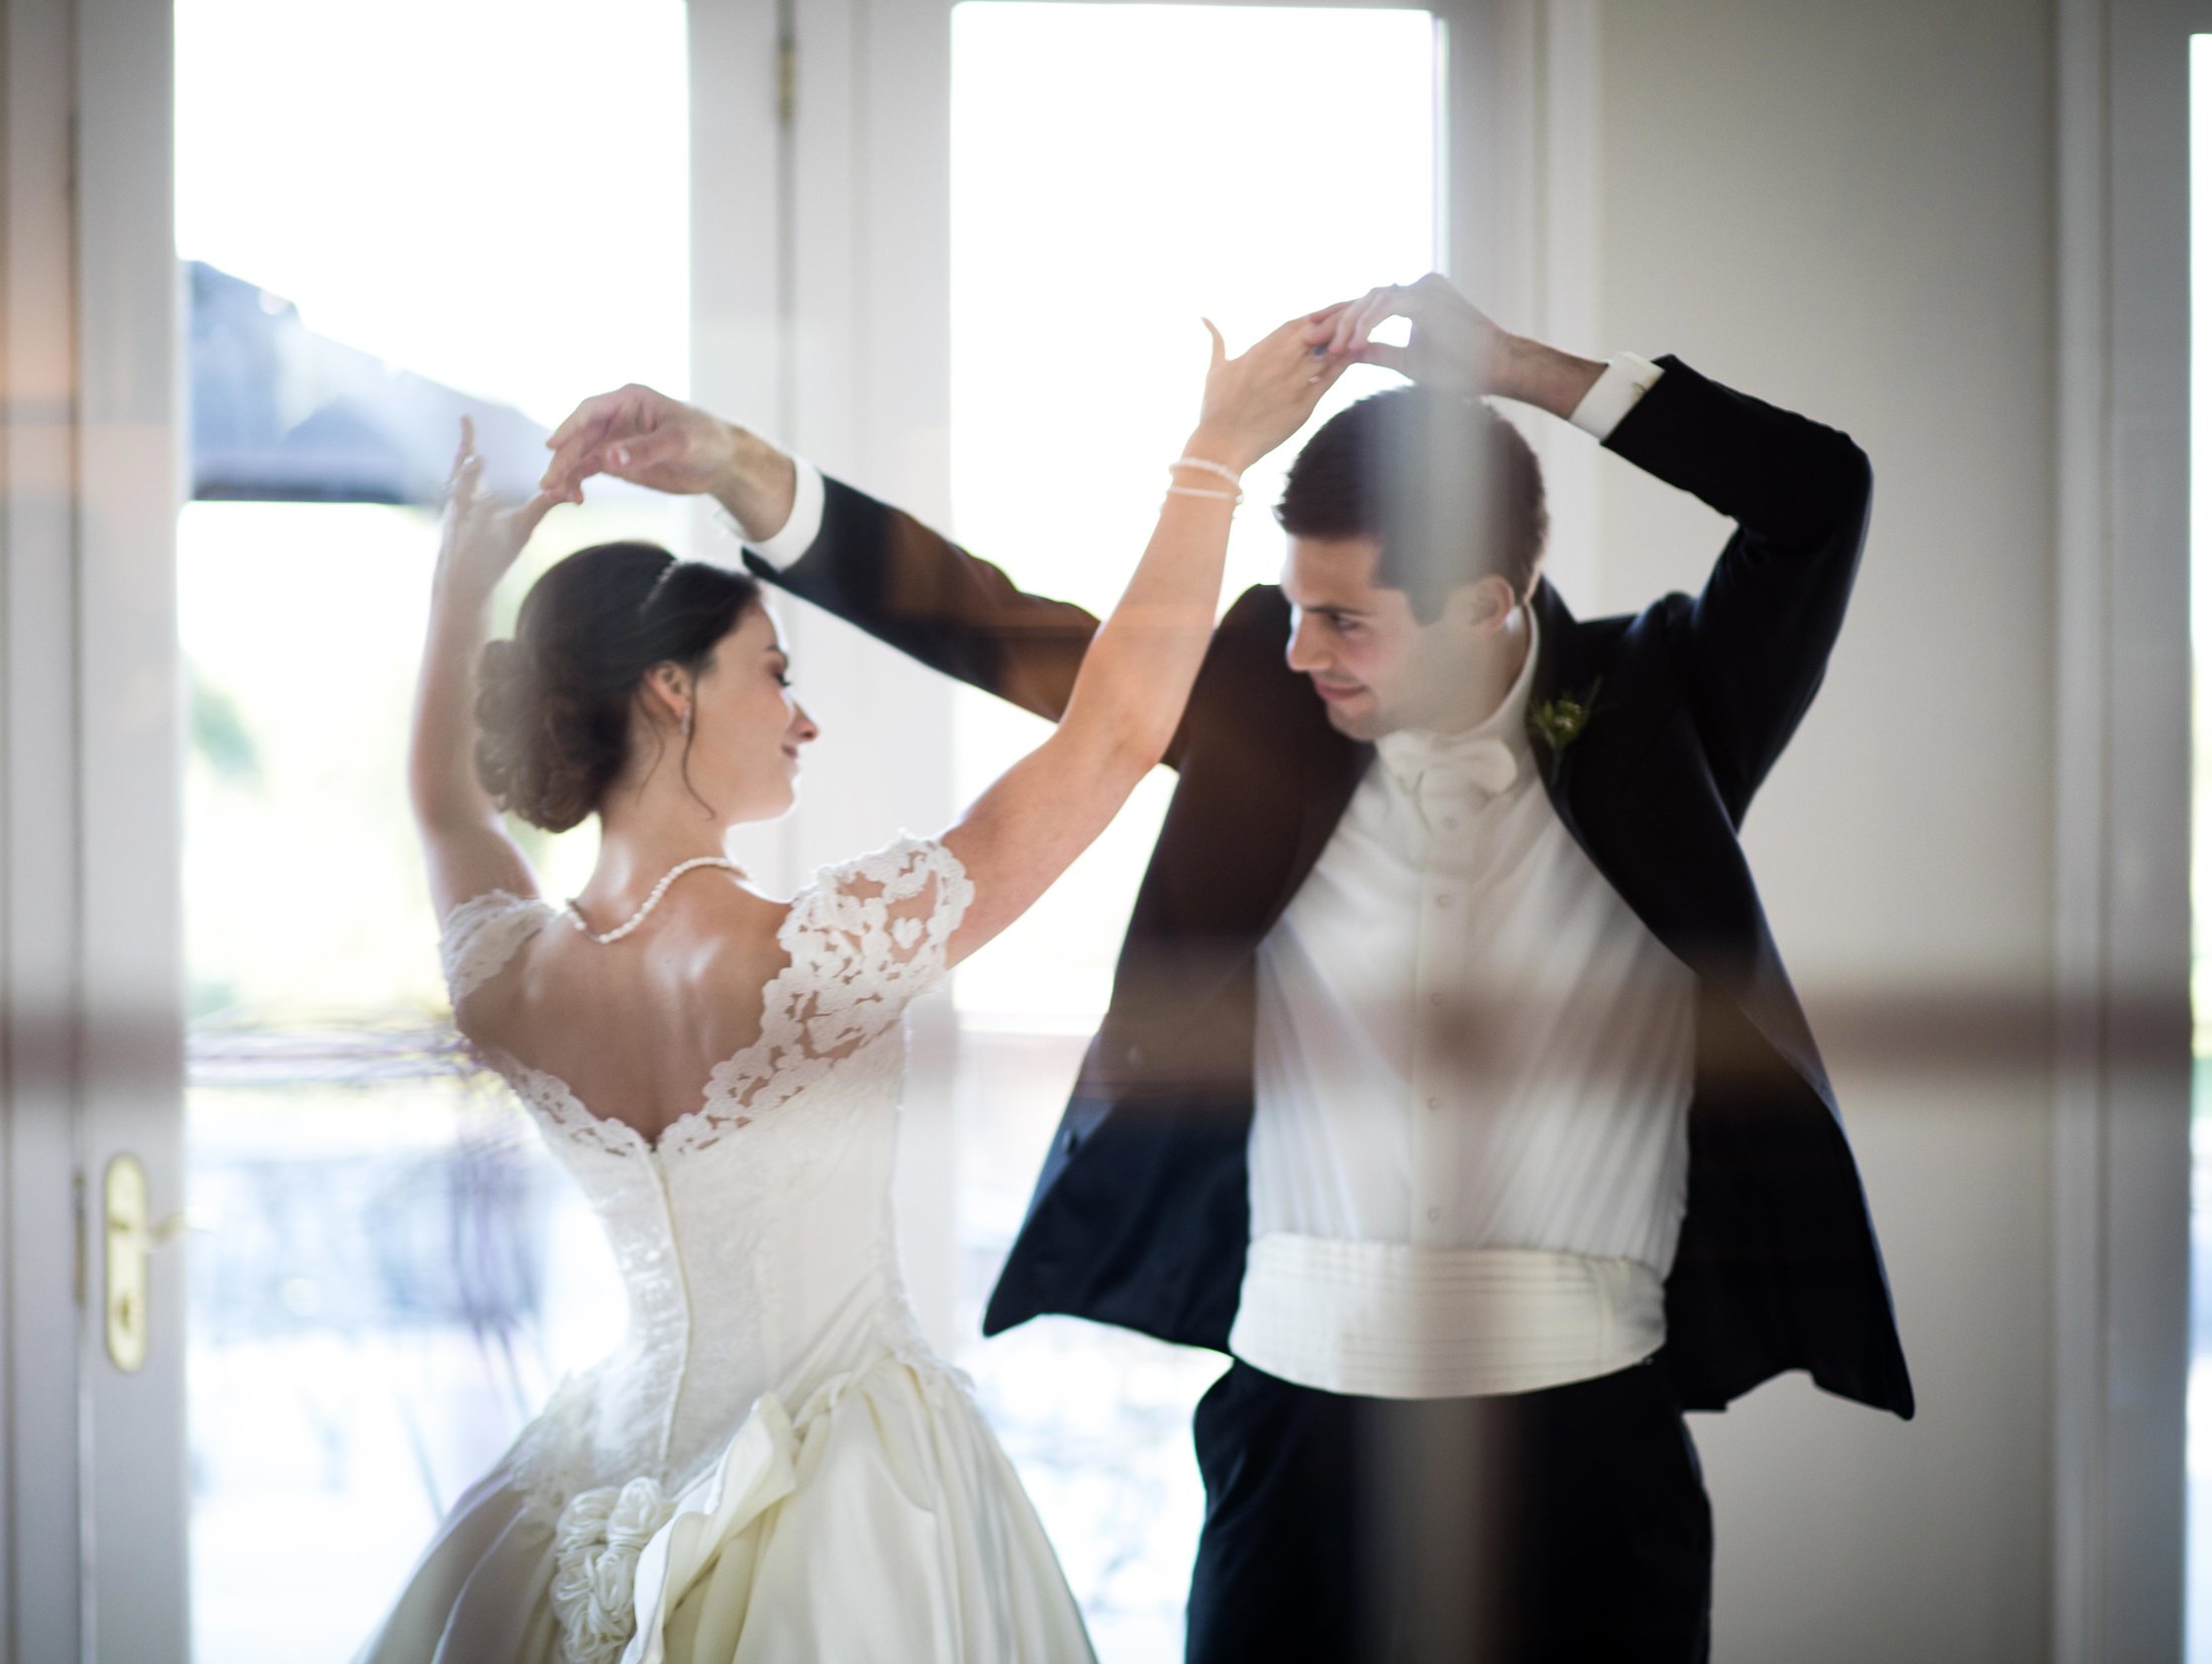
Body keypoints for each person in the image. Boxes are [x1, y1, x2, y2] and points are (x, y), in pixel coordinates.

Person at [538, 272, 1914, 1662]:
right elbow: (991, 624)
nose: (1300, 648)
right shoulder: (1267, 696)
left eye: (1349, 621)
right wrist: (737, 469)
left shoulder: (1662, 709)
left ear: (1492, 602)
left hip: (1592, 1438)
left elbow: (1817, 496)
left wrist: (1520, 370)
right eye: (1296, 607)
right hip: (1292, 1428)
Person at [355, 312, 1342, 1664]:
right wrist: (1215, 457)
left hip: (592, 1489)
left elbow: (437, 805)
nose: (802, 716)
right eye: (774, 673)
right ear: (668, 690)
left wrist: (455, 595)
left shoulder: (509, 978)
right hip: (849, 1504)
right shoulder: (821, 960)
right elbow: (1113, 735)